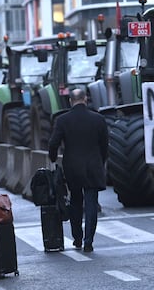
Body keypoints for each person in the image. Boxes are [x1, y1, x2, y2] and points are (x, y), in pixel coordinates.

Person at [48, 88, 108, 252]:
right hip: (93, 165)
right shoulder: (98, 119)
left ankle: (77, 238)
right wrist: (101, 162)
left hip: (72, 166)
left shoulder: (62, 120)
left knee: (75, 201)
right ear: (85, 99)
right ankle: (89, 241)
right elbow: (104, 146)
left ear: (70, 101)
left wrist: (53, 159)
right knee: (91, 203)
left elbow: (53, 143)